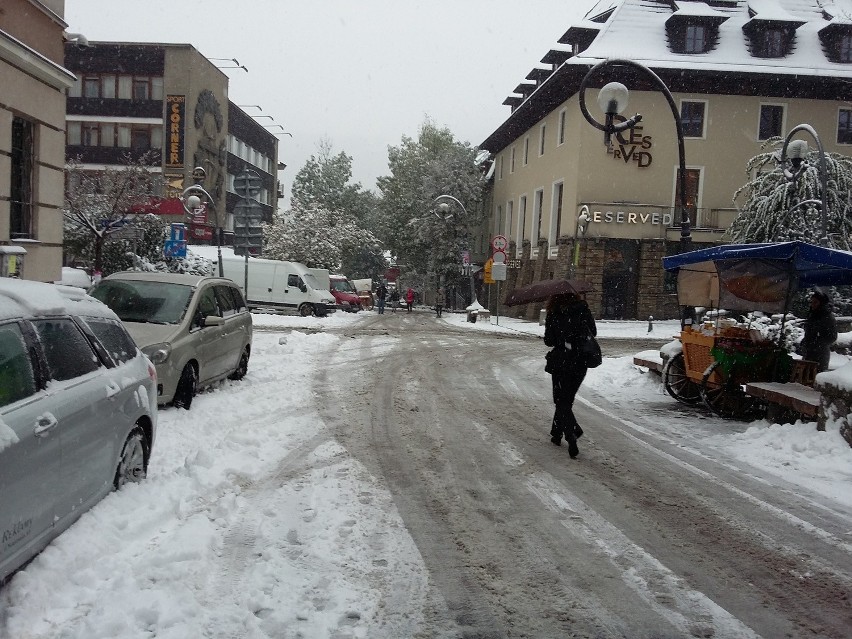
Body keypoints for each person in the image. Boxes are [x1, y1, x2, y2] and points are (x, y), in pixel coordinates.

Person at [543, 292, 596, 459]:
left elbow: (549, 340)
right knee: (567, 399)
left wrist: (561, 337)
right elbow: (592, 332)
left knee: (560, 400)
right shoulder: (583, 310)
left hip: (561, 362)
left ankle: (572, 432)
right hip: (580, 362)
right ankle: (556, 433)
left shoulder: (554, 312)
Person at [800, 289, 837, 372]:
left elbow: (832, 337)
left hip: (820, 355)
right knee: (803, 378)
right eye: (811, 302)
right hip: (808, 353)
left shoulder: (828, 317)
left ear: (821, 303)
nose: (812, 305)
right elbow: (809, 333)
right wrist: (805, 342)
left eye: (815, 302)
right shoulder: (812, 315)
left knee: (813, 378)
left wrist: (817, 342)